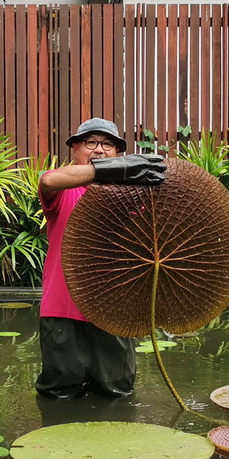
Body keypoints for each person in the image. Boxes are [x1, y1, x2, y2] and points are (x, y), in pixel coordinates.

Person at [36, 117, 167, 399]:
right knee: (59, 396)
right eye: (91, 143)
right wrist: (110, 170)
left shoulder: (133, 197)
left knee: (116, 395)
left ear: (119, 153)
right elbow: (48, 180)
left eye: (108, 145)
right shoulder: (63, 190)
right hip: (62, 310)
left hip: (114, 310)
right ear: (75, 150)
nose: (99, 149)